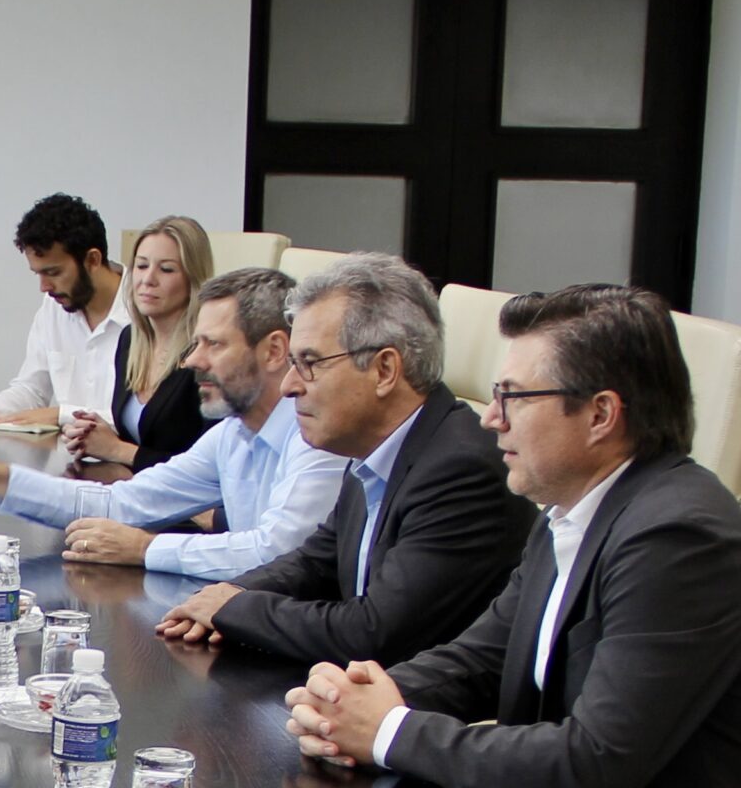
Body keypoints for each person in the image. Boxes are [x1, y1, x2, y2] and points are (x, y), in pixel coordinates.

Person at [284, 284, 741, 788]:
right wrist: (351, 703)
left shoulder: (677, 536)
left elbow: (596, 762)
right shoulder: (571, 509)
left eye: (513, 397)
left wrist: (389, 731)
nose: (490, 417)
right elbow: (483, 658)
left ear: (601, 414)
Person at [156, 253, 533, 663]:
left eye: (309, 363)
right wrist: (227, 594)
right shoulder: (373, 447)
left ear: (384, 370)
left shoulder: (460, 469)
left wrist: (234, 610)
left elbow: (373, 632)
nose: (288, 386)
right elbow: (315, 561)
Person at [0, 267, 338, 578]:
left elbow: (276, 552)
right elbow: (121, 503)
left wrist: (146, 548)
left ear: (274, 351)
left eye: (213, 344)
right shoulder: (233, 434)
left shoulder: (320, 438)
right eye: (195, 343)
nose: (192, 361)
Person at [0, 194, 130, 426]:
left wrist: (61, 415)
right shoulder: (54, 306)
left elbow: (145, 418)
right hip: (65, 447)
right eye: (38, 273)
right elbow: (32, 390)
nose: (44, 287)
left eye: (53, 273)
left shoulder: (147, 311)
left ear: (93, 260)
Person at [63, 215, 210, 468]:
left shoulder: (207, 354)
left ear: (192, 280)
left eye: (166, 269)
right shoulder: (129, 340)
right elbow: (140, 439)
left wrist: (117, 450)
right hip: (132, 487)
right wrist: (94, 435)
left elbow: (209, 467)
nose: (148, 279)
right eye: (141, 266)